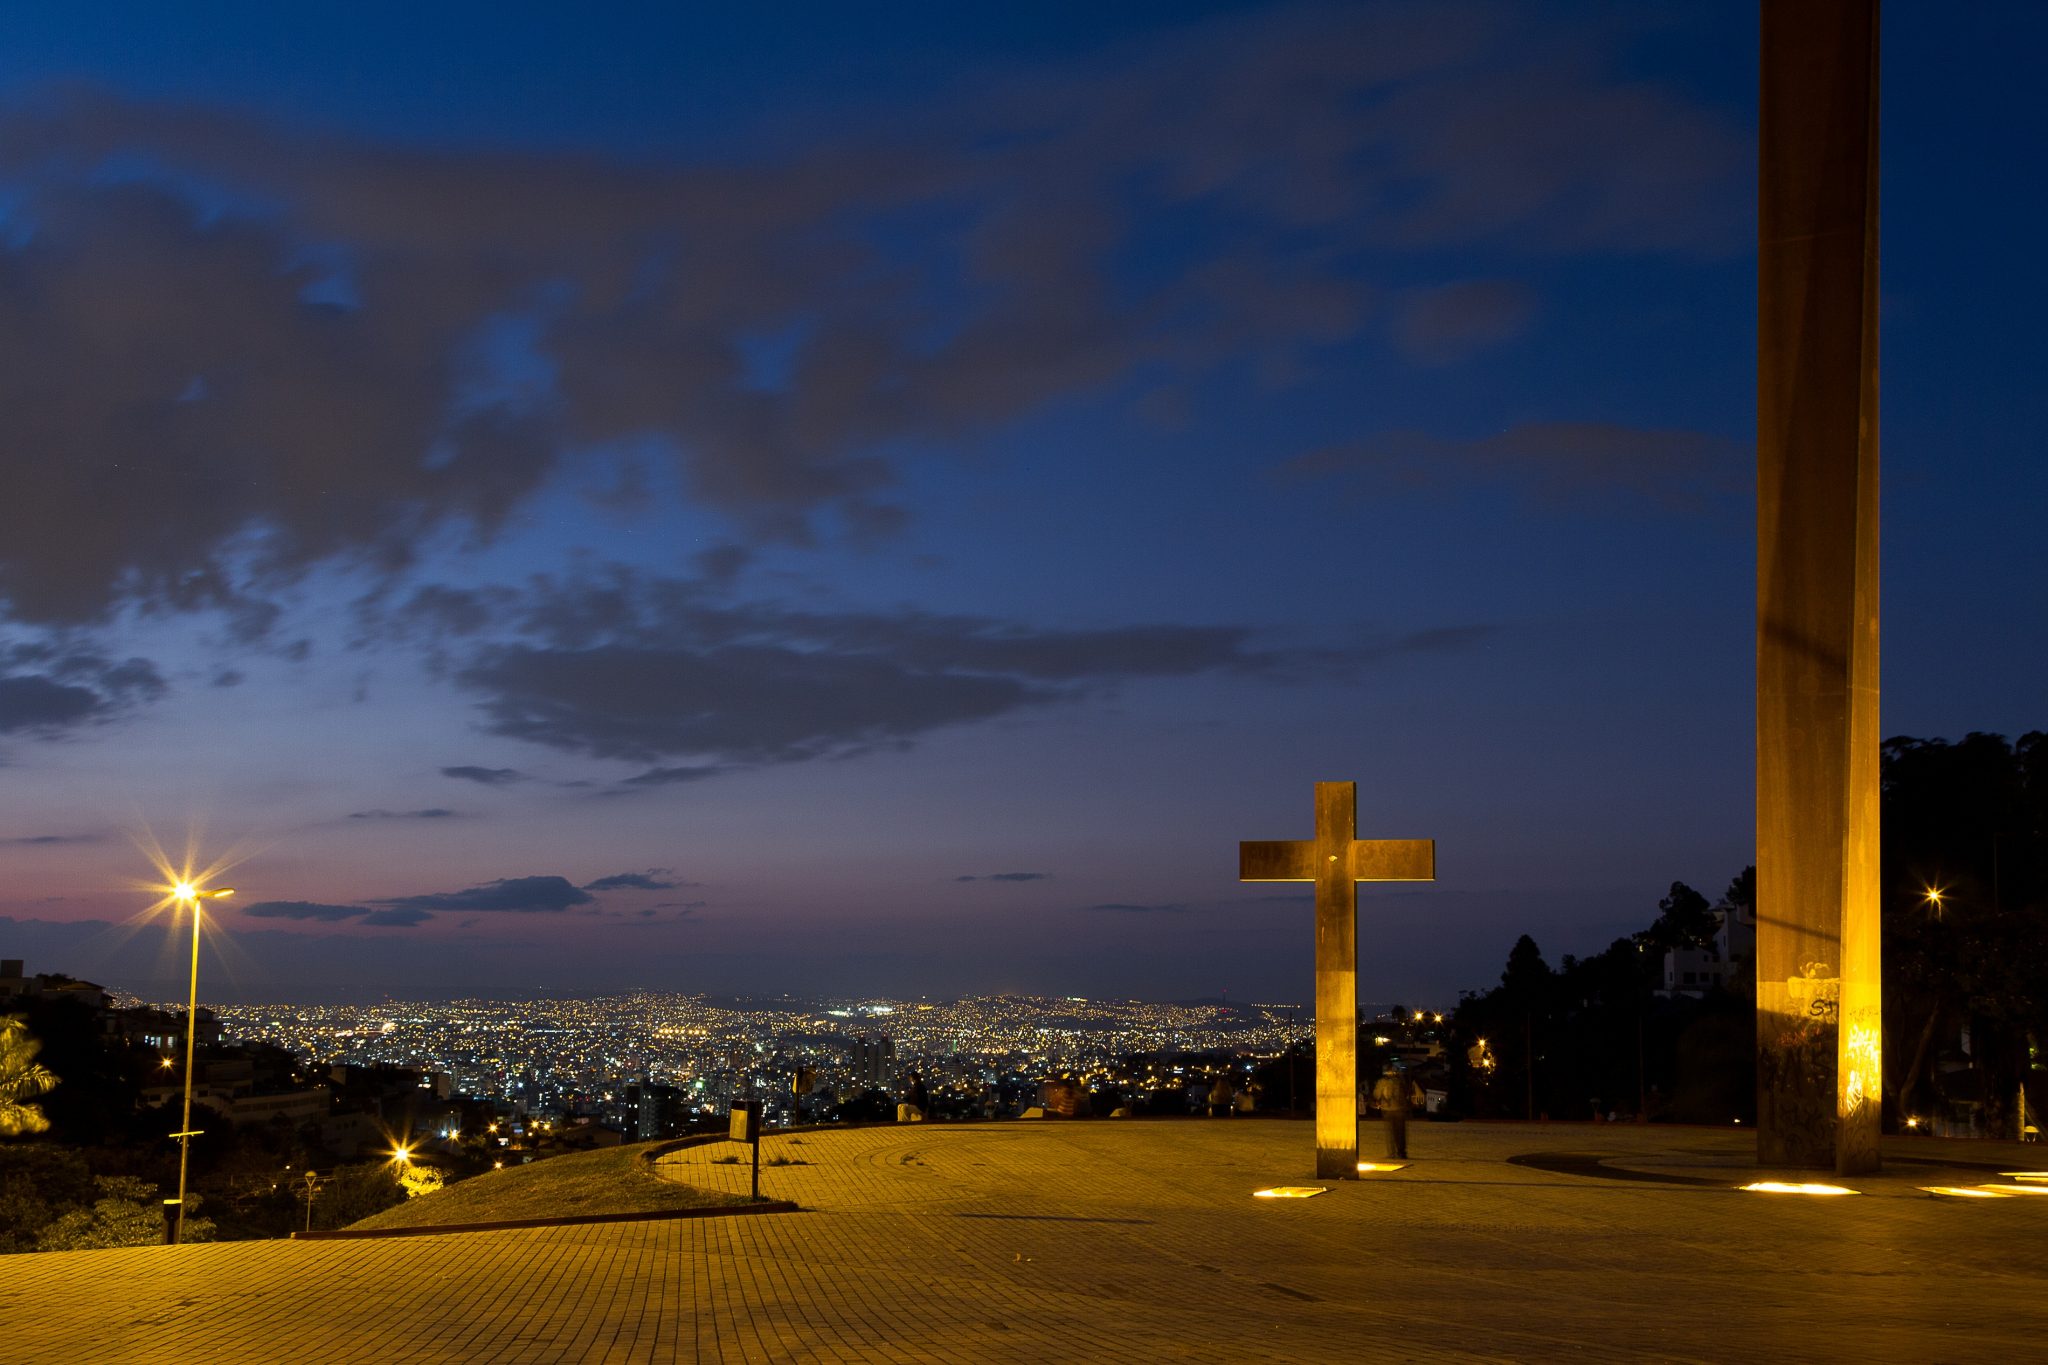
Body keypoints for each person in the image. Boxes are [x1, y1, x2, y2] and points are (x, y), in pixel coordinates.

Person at [1371, 1063, 1416, 1159]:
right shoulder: (1398, 1081)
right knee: (1398, 1132)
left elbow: (1376, 1094)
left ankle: (1395, 1152)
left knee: (1393, 1132)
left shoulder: (1384, 1082)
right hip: (1396, 1109)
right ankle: (1400, 1152)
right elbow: (1406, 1092)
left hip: (1390, 1109)